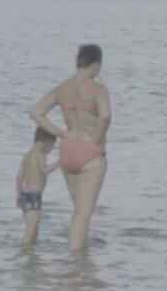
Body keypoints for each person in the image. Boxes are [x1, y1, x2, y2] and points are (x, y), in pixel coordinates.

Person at [29, 43, 111, 255]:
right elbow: (105, 115)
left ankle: (82, 258)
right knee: (83, 213)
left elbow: (36, 112)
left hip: (68, 151)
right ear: (95, 66)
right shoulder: (97, 88)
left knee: (79, 211)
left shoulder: (63, 88)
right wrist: (97, 138)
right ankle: (75, 262)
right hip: (89, 153)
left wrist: (60, 133)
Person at [16, 127, 59, 249]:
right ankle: (22, 256)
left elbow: (19, 177)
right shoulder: (40, 155)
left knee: (34, 231)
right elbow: (45, 170)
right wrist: (60, 162)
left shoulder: (27, 155)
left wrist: (18, 196)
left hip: (25, 195)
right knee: (30, 232)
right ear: (46, 141)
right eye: (52, 145)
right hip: (34, 197)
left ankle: (32, 258)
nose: (51, 149)